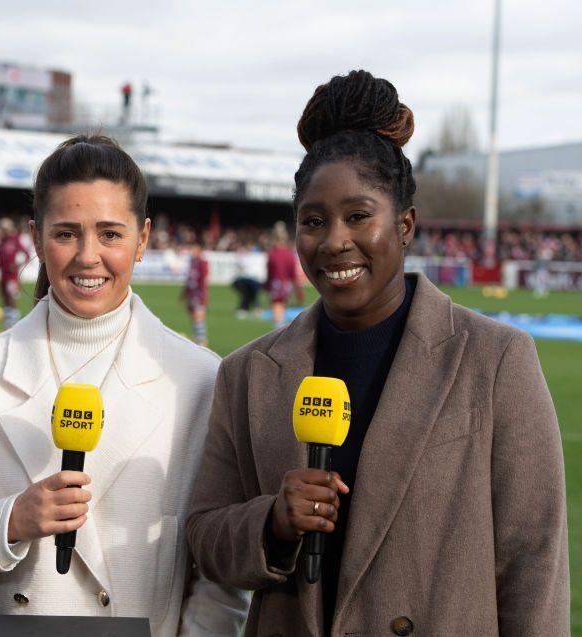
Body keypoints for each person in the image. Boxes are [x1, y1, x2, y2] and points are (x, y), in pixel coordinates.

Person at [186, 70, 568, 636]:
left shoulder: (495, 359)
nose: (334, 240)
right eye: (313, 221)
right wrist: (273, 523)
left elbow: (533, 559)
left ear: (406, 224)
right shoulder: (247, 373)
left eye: (358, 216)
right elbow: (206, 536)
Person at [0, 135, 249, 636]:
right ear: (36, 236)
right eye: (67, 233)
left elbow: (218, 572)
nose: (88, 256)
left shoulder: (200, 378)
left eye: (110, 234)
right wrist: (11, 520)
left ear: (142, 239)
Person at [265, 220, 303, 327]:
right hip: (286, 286)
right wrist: (299, 292)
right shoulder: (289, 254)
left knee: (277, 316)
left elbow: (270, 274)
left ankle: (279, 335)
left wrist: (267, 286)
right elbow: (293, 276)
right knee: (282, 311)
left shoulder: (273, 254)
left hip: (276, 285)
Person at [0, 217, 30, 330]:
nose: (2, 230)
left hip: (11, 276)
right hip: (3, 275)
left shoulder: (15, 239)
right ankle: (7, 324)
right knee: (4, 299)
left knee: (12, 299)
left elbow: (26, 254)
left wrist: (17, 265)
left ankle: (14, 324)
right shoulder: (1, 241)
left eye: (4, 228)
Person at [181, 239, 209, 346]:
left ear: (200, 250)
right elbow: (189, 280)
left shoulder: (203, 263)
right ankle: (197, 338)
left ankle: (202, 341)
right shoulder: (192, 262)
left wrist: (203, 297)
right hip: (191, 295)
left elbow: (203, 281)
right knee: (193, 317)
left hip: (198, 295)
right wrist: (184, 294)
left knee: (199, 318)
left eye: (195, 249)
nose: (192, 251)